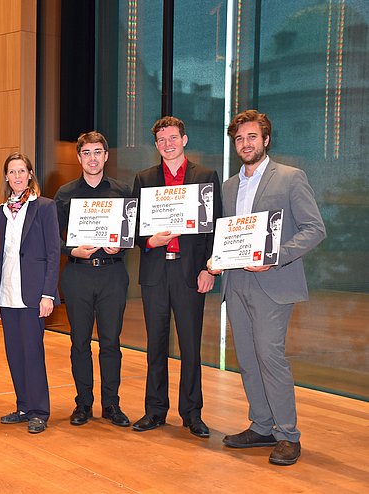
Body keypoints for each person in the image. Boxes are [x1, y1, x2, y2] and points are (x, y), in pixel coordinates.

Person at [209, 110, 325, 465]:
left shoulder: (290, 178)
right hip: (237, 281)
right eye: (240, 138)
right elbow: (228, 235)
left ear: (266, 140)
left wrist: (275, 257)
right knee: (246, 359)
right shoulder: (229, 186)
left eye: (252, 137)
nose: (246, 143)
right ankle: (261, 425)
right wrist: (215, 260)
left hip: (273, 283)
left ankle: (288, 434)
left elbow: (314, 229)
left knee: (270, 357)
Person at [131, 116, 222, 438]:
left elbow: (214, 226)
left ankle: (191, 413)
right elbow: (135, 227)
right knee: (155, 346)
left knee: (190, 348)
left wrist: (209, 268)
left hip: (189, 273)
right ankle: (155, 411)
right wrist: (147, 240)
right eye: (161, 140)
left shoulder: (206, 176)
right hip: (156, 271)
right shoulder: (144, 179)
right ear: (155, 145)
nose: (167, 145)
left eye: (172, 138)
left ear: (184, 139)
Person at [54, 131, 132, 428]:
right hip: (78, 275)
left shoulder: (123, 191)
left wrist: (122, 244)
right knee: (79, 342)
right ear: (79, 157)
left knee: (111, 343)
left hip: (112, 273)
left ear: (106, 156)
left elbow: (132, 233)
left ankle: (111, 405)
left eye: (98, 152)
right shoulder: (65, 194)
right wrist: (71, 249)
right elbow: (53, 240)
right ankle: (83, 404)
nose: (92, 158)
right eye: (86, 153)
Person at [0, 153, 60, 434]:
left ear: (30, 174)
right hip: (7, 293)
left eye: (22, 171)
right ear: (6, 177)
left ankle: (39, 411)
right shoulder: (1, 211)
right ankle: (22, 406)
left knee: (33, 353)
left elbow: (54, 253)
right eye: (12, 172)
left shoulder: (44, 207)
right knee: (14, 353)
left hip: (33, 294)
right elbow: (2, 255)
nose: (17, 176)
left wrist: (48, 294)